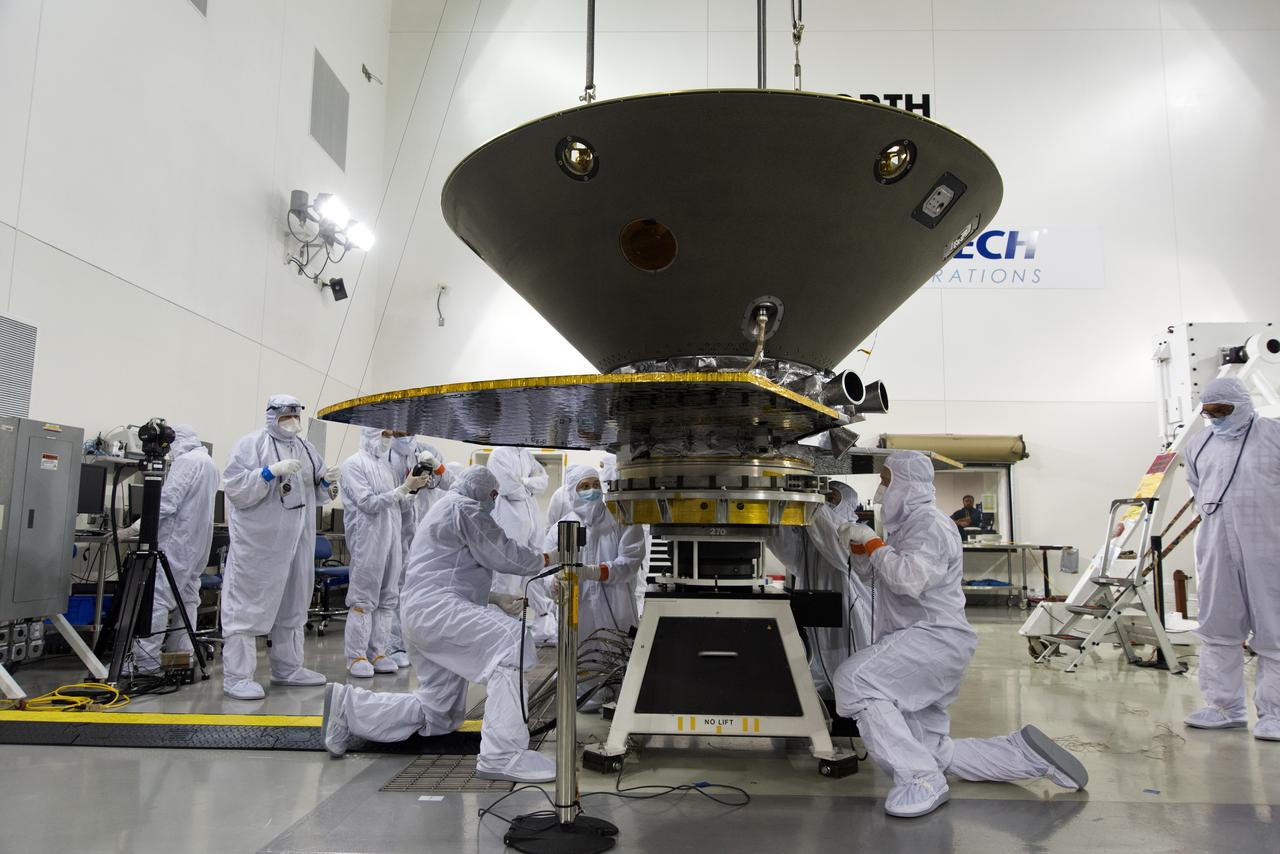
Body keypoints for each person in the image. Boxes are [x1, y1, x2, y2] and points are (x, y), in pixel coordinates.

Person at [834, 451, 1087, 818]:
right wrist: (862, 552)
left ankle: (920, 779)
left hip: (932, 639)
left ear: (907, 483)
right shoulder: (906, 529)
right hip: (920, 641)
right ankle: (1020, 755)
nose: (880, 489)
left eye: (886, 480)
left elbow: (910, 580)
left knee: (854, 682)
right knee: (930, 747)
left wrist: (872, 542)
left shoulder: (930, 524)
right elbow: (883, 578)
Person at [321, 466, 557, 782]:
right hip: (437, 612)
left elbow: (449, 572)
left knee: (441, 712)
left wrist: (494, 597)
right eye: (493, 495)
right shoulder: (465, 507)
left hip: (426, 614)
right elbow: (504, 553)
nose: (493, 502)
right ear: (484, 491)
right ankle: (502, 754)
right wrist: (548, 558)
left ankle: (348, 707)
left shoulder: (446, 508)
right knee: (514, 643)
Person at [1183, 377, 1280, 740]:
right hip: (1215, 544)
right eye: (1210, 413)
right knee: (1217, 625)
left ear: (1242, 404)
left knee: (1274, 627)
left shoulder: (1273, 435)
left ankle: (1275, 713)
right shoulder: (1199, 443)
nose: (1217, 419)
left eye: (1223, 411)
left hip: (1268, 545)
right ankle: (1225, 707)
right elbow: (1198, 489)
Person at [220, 395, 336, 700]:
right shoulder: (251, 444)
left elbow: (319, 488)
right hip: (259, 543)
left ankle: (288, 668)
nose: (292, 420)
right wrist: (268, 472)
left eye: (295, 414)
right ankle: (237, 676)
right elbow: (235, 488)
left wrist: (326, 483)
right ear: (272, 415)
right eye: (285, 415)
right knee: (248, 603)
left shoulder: (307, 449)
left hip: (298, 540)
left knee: (293, 602)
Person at [544, 465, 646, 708]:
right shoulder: (562, 526)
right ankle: (587, 698)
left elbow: (631, 561)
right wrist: (553, 583)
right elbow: (545, 566)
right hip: (577, 605)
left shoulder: (621, 518)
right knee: (582, 652)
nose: (591, 491)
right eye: (584, 486)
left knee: (620, 649)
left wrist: (593, 571)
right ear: (571, 491)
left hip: (617, 599)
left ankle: (624, 703)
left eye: (595, 485)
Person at [766, 481, 869, 703]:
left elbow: (832, 539)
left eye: (831, 498)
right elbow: (786, 550)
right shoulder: (811, 537)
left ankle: (853, 711)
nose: (825, 500)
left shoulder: (857, 533)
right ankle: (823, 710)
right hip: (814, 609)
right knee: (814, 664)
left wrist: (811, 500)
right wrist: (780, 507)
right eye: (823, 496)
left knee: (844, 666)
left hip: (845, 614)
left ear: (847, 503)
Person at [339, 428, 431, 678]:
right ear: (369, 434)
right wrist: (402, 489)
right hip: (367, 539)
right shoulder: (353, 464)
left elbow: (399, 505)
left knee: (388, 597)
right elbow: (368, 502)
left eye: (390, 434)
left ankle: (378, 652)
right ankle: (356, 655)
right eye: (384, 433)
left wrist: (413, 487)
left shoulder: (385, 467)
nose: (388, 438)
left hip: (392, 537)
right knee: (363, 597)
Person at [131, 424, 220, 672]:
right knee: (188, 596)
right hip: (198, 544)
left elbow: (168, 502)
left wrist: (137, 528)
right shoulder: (210, 464)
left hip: (177, 542)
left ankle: (145, 661)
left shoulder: (187, 462)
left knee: (159, 596)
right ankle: (181, 655)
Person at [384, 435, 453, 669]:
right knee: (397, 587)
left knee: (425, 589)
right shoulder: (385, 455)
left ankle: (422, 642)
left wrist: (437, 466)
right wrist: (407, 487)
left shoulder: (428, 450)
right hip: (397, 528)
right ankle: (395, 645)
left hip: (425, 530)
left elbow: (450, 482)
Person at [488, 447, 555, 642]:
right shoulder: (499, 454)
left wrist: (524, 482)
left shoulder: (525, 454)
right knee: (505, 578)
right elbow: (508, 487)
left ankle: (531, 625)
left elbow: (543, 481)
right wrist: (529, 484)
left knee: (534, 571)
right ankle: (498, 631)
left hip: (531, 518)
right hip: (510, 519)